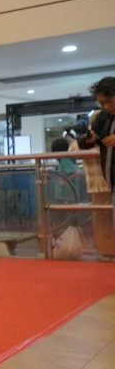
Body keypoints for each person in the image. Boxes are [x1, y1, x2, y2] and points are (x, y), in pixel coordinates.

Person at [78, 76, 115, 258]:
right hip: (112, 179)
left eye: (109, 101)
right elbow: (87, 141)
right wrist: (89, 139)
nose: (106, 106)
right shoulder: (105, 118)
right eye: (102, 103)